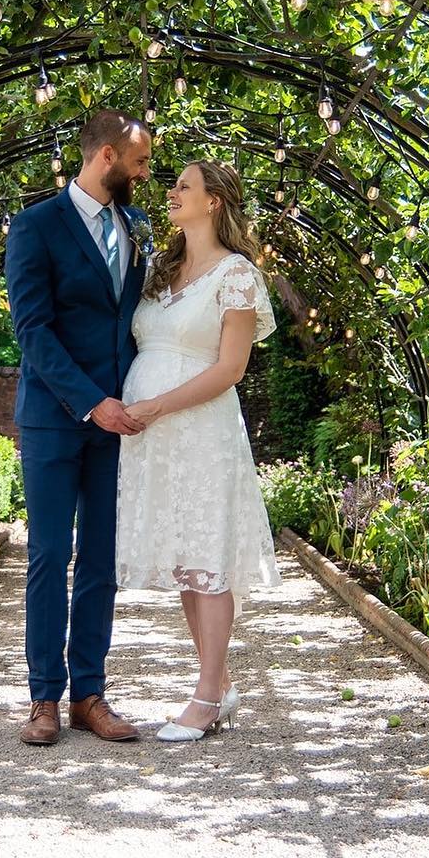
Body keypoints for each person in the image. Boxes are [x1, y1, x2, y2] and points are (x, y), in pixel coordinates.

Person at [116, 159, 281, 741]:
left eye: (184, 186)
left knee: (208, 558)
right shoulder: (161, 269)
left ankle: (209, 695)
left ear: (213, 202)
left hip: (200, 429)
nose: (172, 193)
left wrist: (157, 405)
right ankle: (219, 683)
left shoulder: (235, 275)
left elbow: (231, 368)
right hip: (153, 437)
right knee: (189, 562)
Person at [3, 109, 153, 746]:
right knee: (48, 556)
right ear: (108, 159)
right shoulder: (35, 227)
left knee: (100, 561)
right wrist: (92, 402)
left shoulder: (137, 228)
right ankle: (43, 697)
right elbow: (32, 331)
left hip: (118, 423)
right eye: (141, 162)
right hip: (55, 419)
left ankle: (89, 694)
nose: (148, 175)